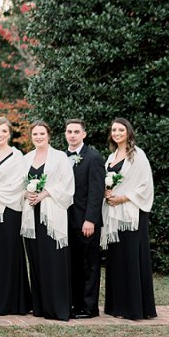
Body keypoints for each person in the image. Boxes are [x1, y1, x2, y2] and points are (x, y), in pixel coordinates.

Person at [101, 118, 156, 320]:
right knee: (117, 259)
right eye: (114, 130)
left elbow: (145, 185)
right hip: (114, 215)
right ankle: (118, 306)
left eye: (120, 130)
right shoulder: (111, 156)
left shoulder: (137, 155)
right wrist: (108, 194)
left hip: (132, 214)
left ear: (128, 132)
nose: (116, 133)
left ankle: (135, 308)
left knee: (132, 257)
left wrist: (123, 198)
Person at [21, 121, 75, 321]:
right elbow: (18, 183)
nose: (38, 137)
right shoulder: (26, 158)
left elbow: (67, 185)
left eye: (42, 133)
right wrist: (27, 193)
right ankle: (41, 306)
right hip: (31, 215)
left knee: (53, 260)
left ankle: (58, 308)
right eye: (35, 134)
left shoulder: (60, 157)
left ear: (49, 135)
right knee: (36, 259)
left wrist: (44, 194)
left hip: (52, 215)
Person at [0, 117, 30, 316]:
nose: (0, 134)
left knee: (7, 256)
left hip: (8, 212)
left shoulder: (17, 156)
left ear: (9, 134)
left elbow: (19, 183)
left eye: (4, 131)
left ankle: (9, 303)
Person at [65, 119, 105, 319]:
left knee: (89, 265)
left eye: (76, 131)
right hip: (66, 222)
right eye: (69, 131)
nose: (72, 135)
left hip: (86, 222)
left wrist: (91, 219)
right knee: (72, 265)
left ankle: (90, 308)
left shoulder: (94, 158)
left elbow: (97, 192)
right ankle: (75, 304)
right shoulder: (61, 157)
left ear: (84, 134)